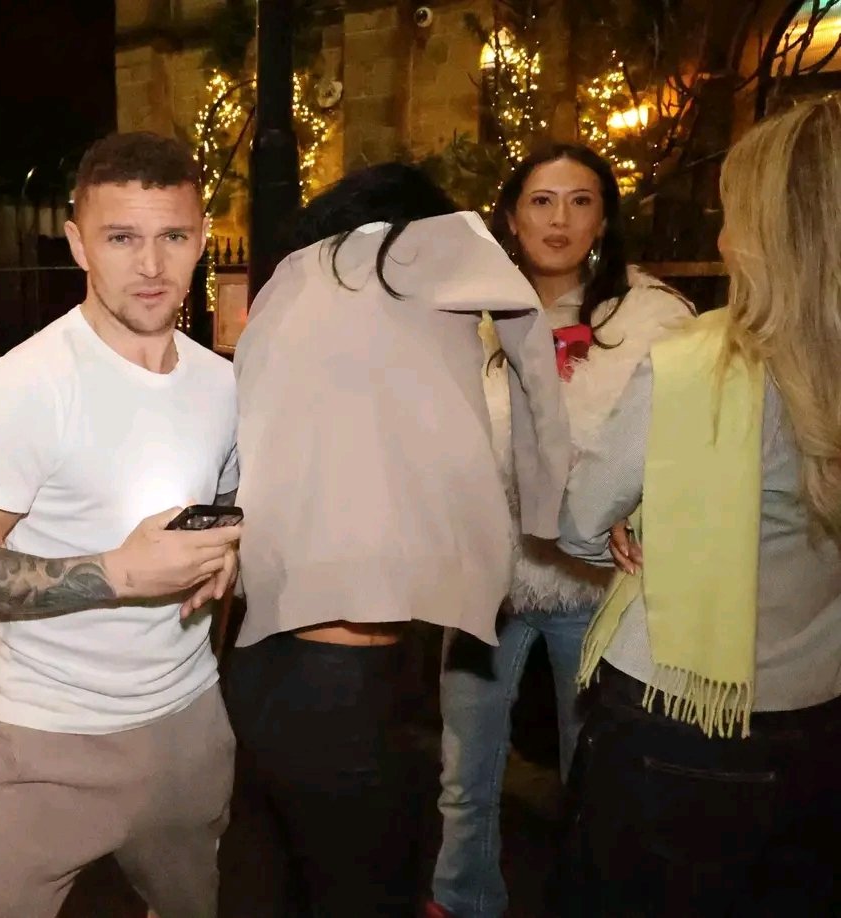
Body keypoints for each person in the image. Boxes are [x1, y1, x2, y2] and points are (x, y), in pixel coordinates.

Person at [217, 163, 571, 918]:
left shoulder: (289, 287)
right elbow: (535, 366)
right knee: (366, 891)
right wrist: (547, 516)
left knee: (280, 882)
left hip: (257, 660)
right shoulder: (442, 251)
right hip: (351, 679)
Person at [0, 131, 242, 918]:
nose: (152, 265)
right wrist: (119, 572)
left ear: (203, 237)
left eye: (174, 237)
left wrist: (228, 547)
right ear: (77, 244)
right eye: (122, 238)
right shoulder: (24, 389)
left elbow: (229, 506)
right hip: (48, 736)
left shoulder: (222, 385)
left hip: (188, 725)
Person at [557, 95, 841, 917]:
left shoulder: (691, 364)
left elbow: (580, 520)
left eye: (731, 217)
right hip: (819, 715)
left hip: (675, 715)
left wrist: (636, 522)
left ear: (765, 231)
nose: (719, 240)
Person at [431, 145, 694, 918]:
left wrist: (642, 516)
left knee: (595, 771)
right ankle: (462, 899)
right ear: (511, 218)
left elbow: (682, 446)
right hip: (486, 581)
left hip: (593, 585)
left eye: (581, 201)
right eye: (542, 201)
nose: (560, 219)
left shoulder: (650, 321)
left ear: (603, 219)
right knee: (464, 769)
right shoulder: (466, 318)